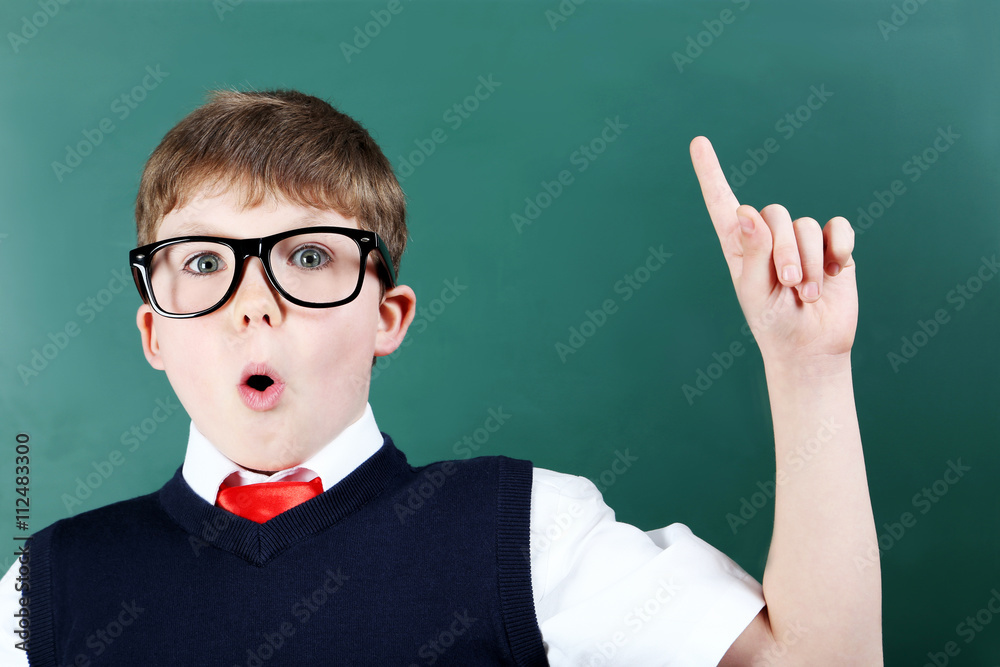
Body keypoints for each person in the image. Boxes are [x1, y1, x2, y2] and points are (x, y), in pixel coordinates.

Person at [2, 88, 881, 665]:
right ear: (155, 330)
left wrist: (807, 368)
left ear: (387, 316)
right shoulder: (44, 591)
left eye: (307, 255)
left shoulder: (524, 536)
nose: (253, 303)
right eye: (202, 261)